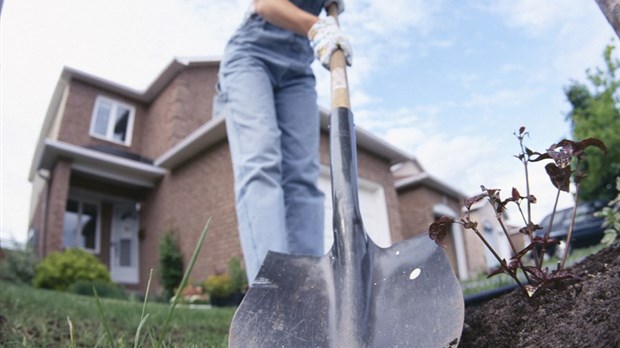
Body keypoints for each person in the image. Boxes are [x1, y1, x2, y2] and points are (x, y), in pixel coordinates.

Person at [214, 0, 352, 283]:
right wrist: (317, 26)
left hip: (298, 67)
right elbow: (265, 4)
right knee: (261, 161)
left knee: (303, 174)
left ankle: (307, 291)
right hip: (251, 53)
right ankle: (272, 294)